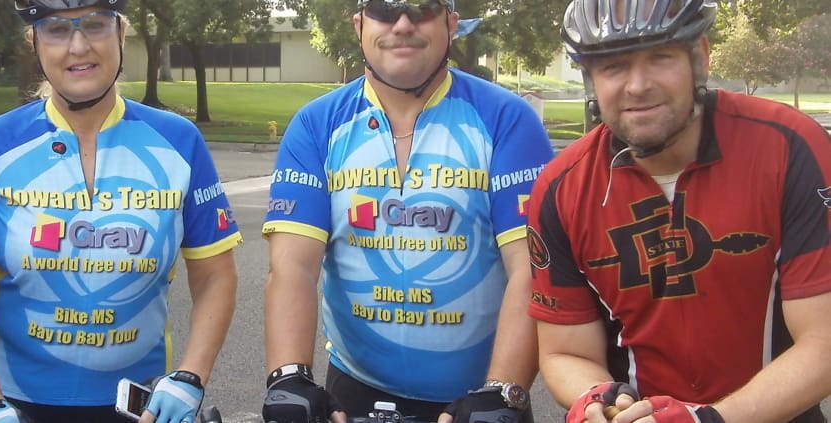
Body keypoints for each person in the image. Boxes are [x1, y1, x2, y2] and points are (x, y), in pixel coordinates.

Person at [527, 0, 831, 422]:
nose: (637, 85)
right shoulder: (560, 188)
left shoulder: (791, 147)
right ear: (590, 79)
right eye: (613, 66)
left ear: (700, 59)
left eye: (660, 58)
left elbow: (824, 342)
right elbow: (564, 350)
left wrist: (708, 419)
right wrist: (596, 398)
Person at [260, 0, 554, 422]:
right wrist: (288, 377)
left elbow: (531, 269)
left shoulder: (507, 119)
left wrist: (503, 391)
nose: (402, 24)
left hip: (481, 398)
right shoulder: (316, 125)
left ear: (451, 24)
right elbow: (291, 268)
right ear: (359, 25)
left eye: (422, 9)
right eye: (383, 9)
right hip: (352, 391)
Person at [0, 1, 242, 422]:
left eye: (95, 25)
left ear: (122, 34)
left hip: (141, 407)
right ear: (34, 43)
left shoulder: (178, 142)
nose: (78, 46)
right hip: (10, 401)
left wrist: (190, 378)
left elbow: (216, 275)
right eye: (56, 30)